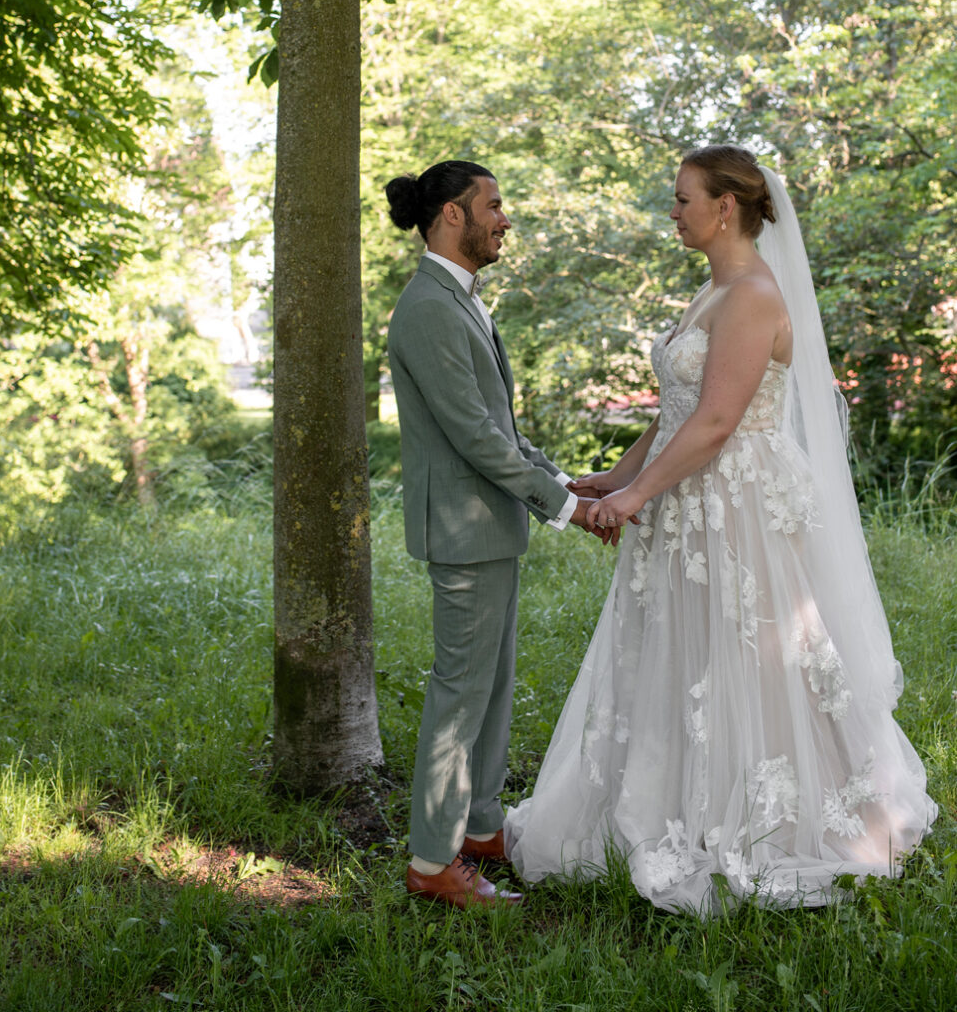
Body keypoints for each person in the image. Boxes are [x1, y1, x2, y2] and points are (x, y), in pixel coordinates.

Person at [504, 145, 937, 913]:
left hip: (732, 509)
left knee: (751, 655)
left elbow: (715, 422)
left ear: (725, 206)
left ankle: (778, 814)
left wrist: (636, 500)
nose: (672, 212)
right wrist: (615, 475)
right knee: (682, 650)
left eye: (680, 199)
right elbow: (673, 414)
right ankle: (667, 797)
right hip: (690, 500)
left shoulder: (752, 297)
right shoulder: (711, 292)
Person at [385, 160, 605, 910]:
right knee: (459, 699)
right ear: (453, 215)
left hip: (491, 530)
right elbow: (476, 436)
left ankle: (479, 829)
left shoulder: (461, 300)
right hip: (463, 535)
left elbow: (499, 426)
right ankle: (430, 862)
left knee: (491, 693)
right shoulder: (427, 309)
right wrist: (565, 508)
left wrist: (564, 480)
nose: (505, 219)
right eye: (495, 206)